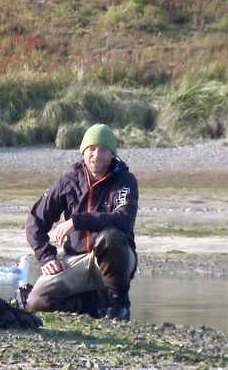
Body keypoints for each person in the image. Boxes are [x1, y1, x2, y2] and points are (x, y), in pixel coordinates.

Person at [16, 123, 138, 321]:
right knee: (37, 301)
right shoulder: (68, 182)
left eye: (102, 149)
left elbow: (124, 219)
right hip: (75, 259)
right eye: (91, 149)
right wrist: (46, 256)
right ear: (83, 152)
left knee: (111, 237)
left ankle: (119, 305)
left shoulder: (125, 181)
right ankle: (96, 304)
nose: (96, 155)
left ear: (112, 154)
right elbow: (35, 222)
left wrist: (78, 221)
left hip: (113, 260)